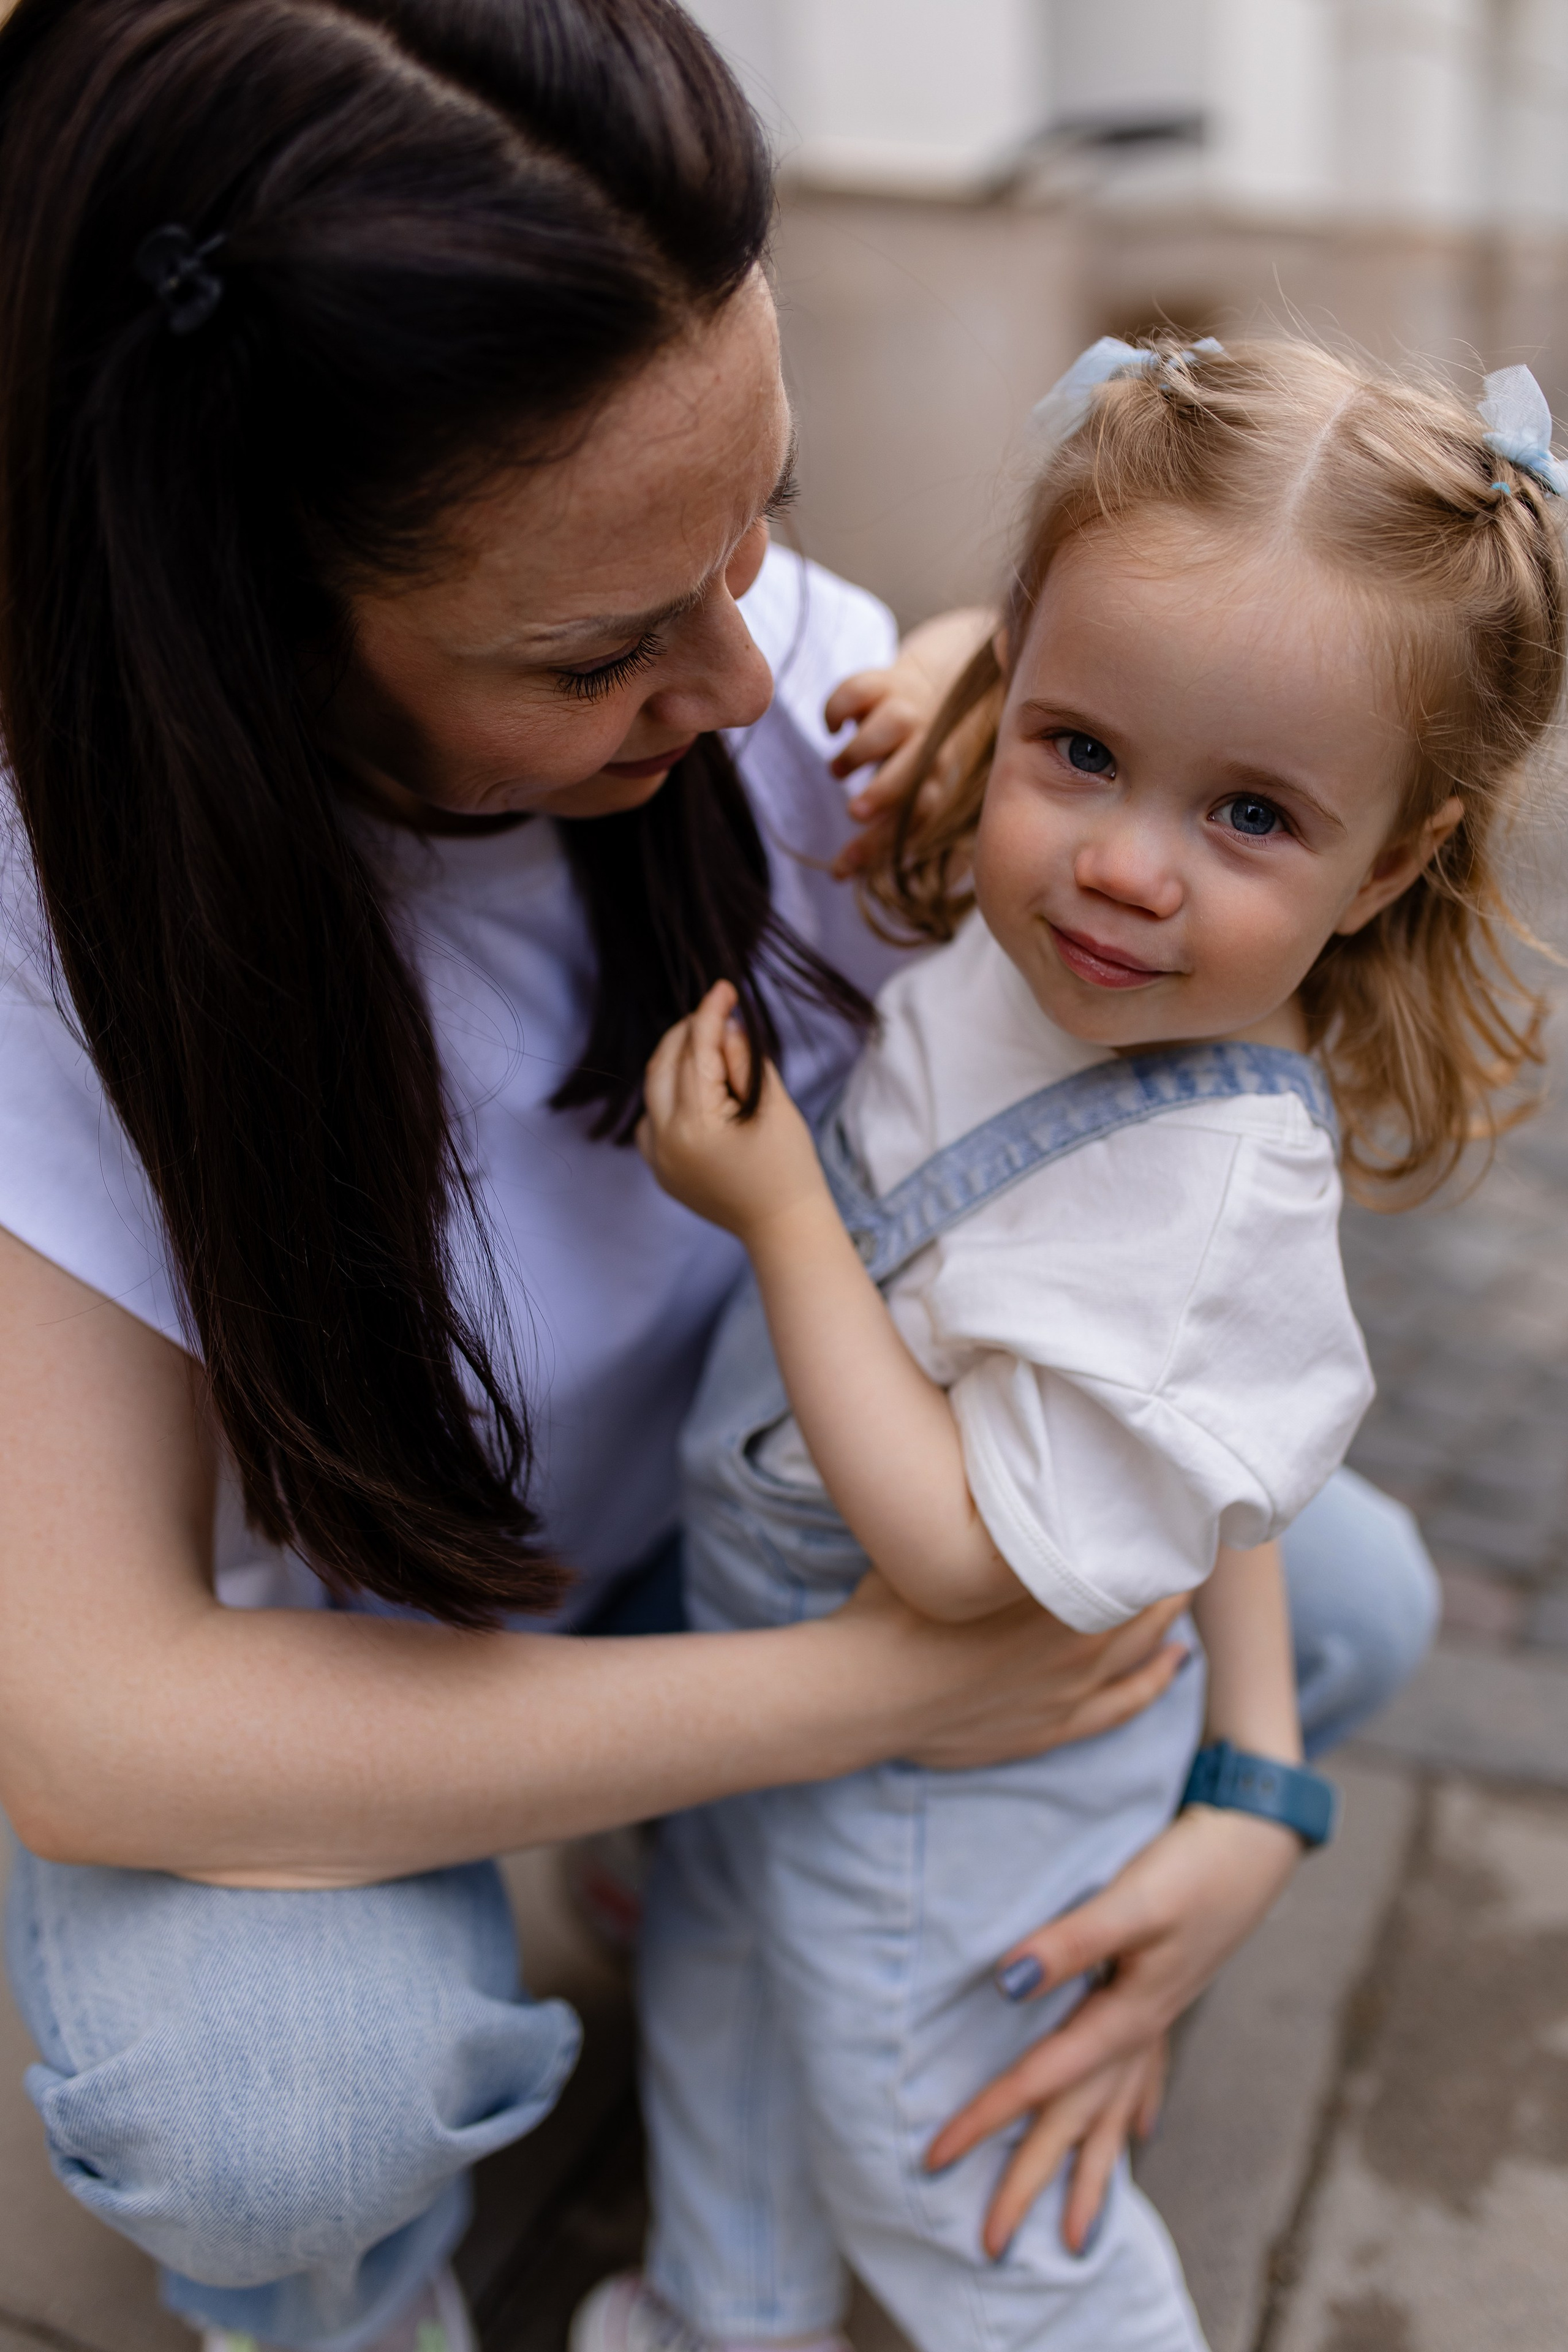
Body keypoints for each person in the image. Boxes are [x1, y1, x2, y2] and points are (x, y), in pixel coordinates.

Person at [0, 3, 1434, 2346]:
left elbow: (1177, 1241)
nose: (749, 675)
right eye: (596, 651)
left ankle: (712, 1873)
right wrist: (886, 1700)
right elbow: (91, 1731)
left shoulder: (773, 676)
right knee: (272, 2114)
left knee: (1326, 1606)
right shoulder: (47, 933)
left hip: (726, 1516)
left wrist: (1249, 1792)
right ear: (238, 635)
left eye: (760, 509)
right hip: (359, 1662)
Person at [601, 335, 1567, 2352]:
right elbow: (1082, 685)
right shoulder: (1077, 928)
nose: (1130, 863)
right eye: (1087, 756)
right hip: (762, 1685)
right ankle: (717, 2317)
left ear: (1388, 864)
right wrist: (966, 678)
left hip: (941, 1800)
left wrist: (785, 1217)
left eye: (1250, 815)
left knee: (953, 2176)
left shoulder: (1199, 1195)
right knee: (724, 2055)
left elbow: (961, 1563)